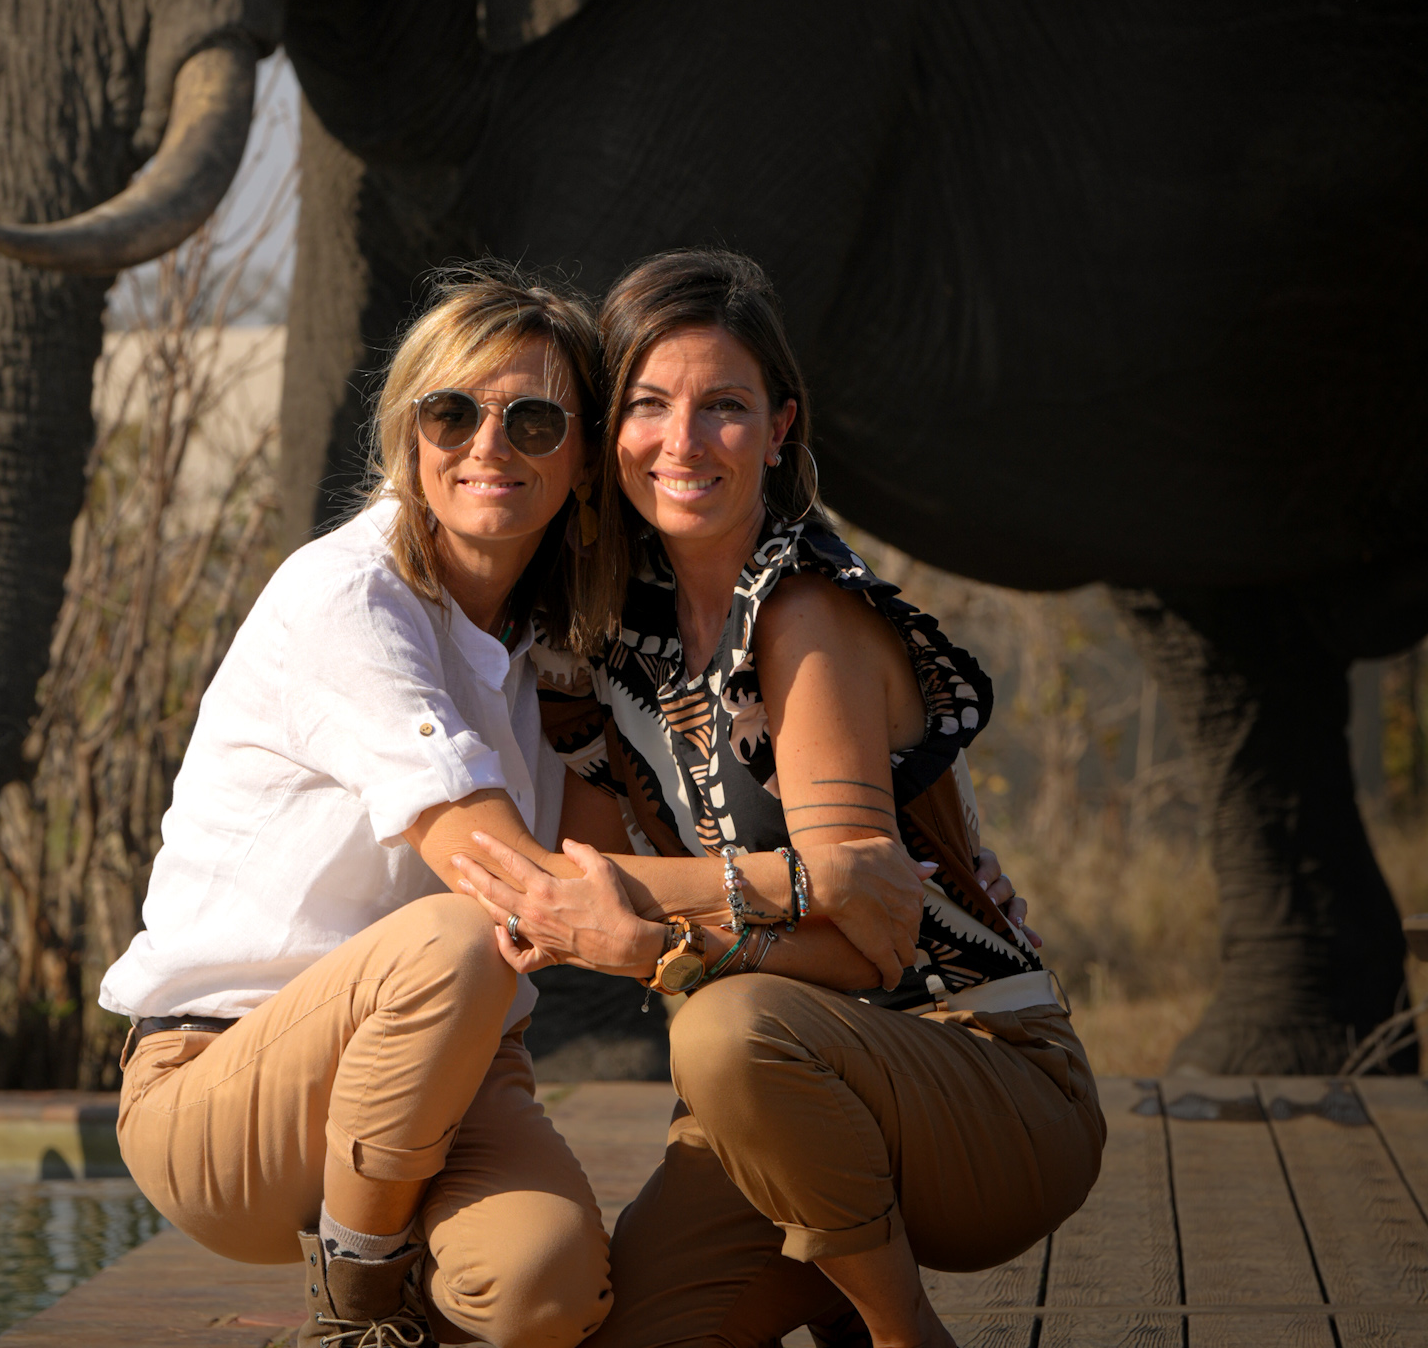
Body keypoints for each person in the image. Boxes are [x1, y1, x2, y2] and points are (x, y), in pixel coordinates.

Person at [102, 262, 934, 1348]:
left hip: (454, 1082)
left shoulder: (554, 645)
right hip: (227, 1079)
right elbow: (512, 886)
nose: (487, 445)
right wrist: (819, 877)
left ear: (582, 457)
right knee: (461, 929)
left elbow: (616, 870)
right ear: (409, 434)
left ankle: (411, 1278)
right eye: (451, 412)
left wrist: (918, 861)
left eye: (533, 420)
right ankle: (355, 1309)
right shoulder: (347, 597)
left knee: (548, 1292)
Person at [454, 249, 1105, 1348]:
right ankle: (832, 1281)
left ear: (778, 427)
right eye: (647, 404)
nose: (683, 440)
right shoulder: (615, 635)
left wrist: (653, 934)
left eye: (724, 405)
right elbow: (583, 889)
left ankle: (898, 1330)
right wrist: (769, 888)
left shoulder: (804, 610)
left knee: (719, 1029)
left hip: (983, 1074)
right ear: (608, 430)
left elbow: (872, 940)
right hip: (778, 1099)